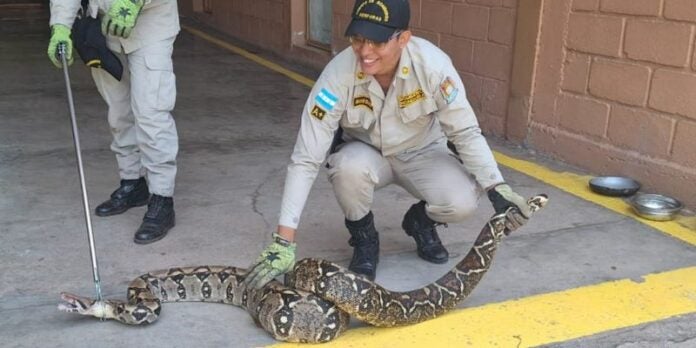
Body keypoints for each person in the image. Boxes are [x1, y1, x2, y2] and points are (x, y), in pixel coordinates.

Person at [244, 0, 531, 288]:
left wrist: (497, 187)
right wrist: (284, 241)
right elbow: (306, 158)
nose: (365, 52)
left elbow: (465, 132)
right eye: (357, 39)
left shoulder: (433, 67)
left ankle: (421, 222)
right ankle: (364, 238)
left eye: (377, 41)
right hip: (367, 154)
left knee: (463, 202)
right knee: (346, 168)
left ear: (403, 38)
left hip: (423, 151)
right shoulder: (337, 76)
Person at [47, 0, 180, 244]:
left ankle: (161, 198)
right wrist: (60, 26)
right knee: (118, 111)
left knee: (151, 113)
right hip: (103, 26)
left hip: (151, 25)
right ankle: (132, 183)